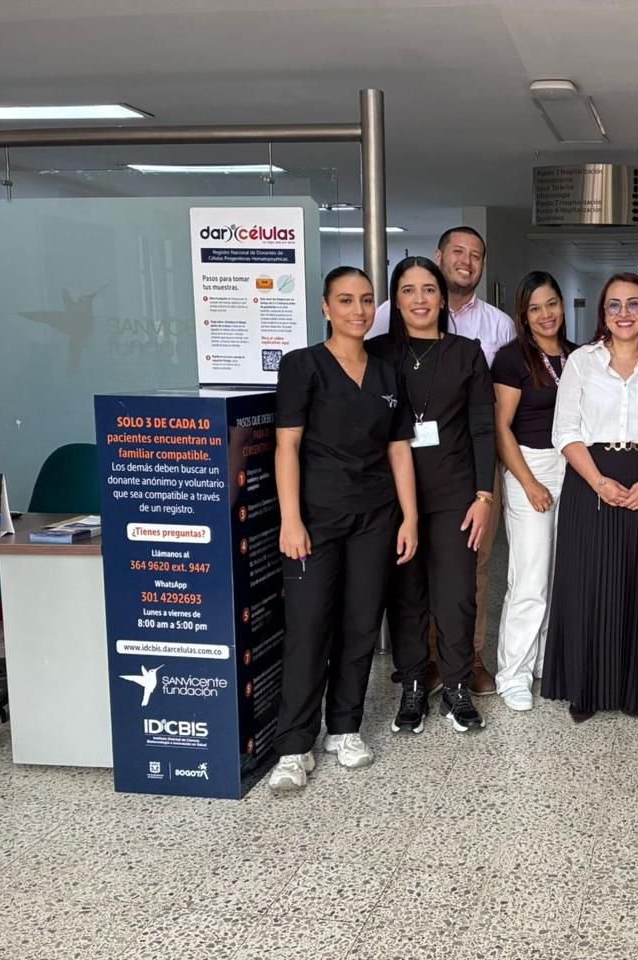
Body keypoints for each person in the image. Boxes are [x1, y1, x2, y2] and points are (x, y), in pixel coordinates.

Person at [268, 266, 419, 792]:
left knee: (360, 623)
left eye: (367, 300)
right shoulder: (302, 365)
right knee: (309, 626)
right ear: (326, 307)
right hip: (316, 516)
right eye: (347, 300)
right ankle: (294, 745)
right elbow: (286, 446)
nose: (359, 310)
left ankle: (344, 728)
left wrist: (410, 517)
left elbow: (398, 450)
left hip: (375, 516)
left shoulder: (387, 373)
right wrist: (291, 520)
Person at [371, 226, 515, 695]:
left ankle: (463, 666)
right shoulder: (377, 347)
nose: (420, 299)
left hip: (459, 477)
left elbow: (484, 422)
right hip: (394, 482)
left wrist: (484, 492)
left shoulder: (487, 335)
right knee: (407, 584)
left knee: (464, 577)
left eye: (428, 291)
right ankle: (419, 672)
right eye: (408, 291)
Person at [543, 273, 638, 722]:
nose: (624, 313)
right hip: (591, 480)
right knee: (590, 586)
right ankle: (586, 688)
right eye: (614, 305)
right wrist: (599, 482)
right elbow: (565, 431)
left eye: (634, 304)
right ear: (603, 313)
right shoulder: (582, 362)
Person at [491, 271, 577, 712]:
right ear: (523, 316)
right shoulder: (512, 359)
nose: (546, 315)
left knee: (561, 575)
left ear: (563, 305)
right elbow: (500, 427)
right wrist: (527, 482)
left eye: (552, 304)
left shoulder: (578, 355)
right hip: (531, 465)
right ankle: (513, 673)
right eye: (535, 308)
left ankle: (544, 660)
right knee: (530, 577)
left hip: (572, 467)